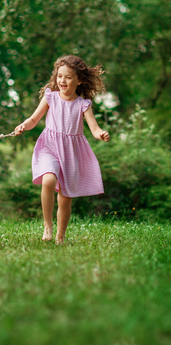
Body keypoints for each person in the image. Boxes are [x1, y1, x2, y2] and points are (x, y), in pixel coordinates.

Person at [15, 55, 110, 245]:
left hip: (71, 152)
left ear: (79, 80)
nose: (62, 81)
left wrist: (101, 134)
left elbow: (94, 128)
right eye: (60, 76)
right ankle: (47, 226)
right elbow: (34, 119)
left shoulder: (83, 104)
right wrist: (24, 125)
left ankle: (60, 236)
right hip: (49, 146)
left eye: (67, 77)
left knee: (65, 198)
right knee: (48, 180)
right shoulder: (50, 97)